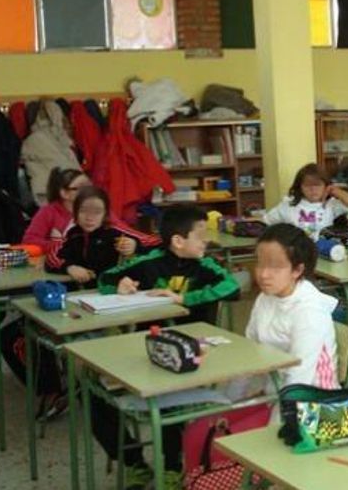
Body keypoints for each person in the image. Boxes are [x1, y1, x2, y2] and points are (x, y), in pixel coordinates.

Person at [93, 205, 240, 488]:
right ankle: (134, 463)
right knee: (91, 395)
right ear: (178, 241)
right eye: (201, 237)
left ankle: (172, 466)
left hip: (192, 356)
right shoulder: (149, 261)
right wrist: (120, 286)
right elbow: (105, 279)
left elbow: (232, 287)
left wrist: (185, 299)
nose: (206, 242)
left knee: (168, 395)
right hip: (148, 352)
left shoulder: (205, 265)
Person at [244, 224, 340, 392]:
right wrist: (231, 401)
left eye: (275, 266)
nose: (263, 274)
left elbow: (299, 380)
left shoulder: (309, 312)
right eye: (260, 263)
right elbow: (249, 353)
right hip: (275, 390)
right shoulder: (265, 298)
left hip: (313, 398)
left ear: (297, 270)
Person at [45, 186, 160, 286]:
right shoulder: (74, 234)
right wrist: (69, 267)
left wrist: (136, 245)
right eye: (83, 211)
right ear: (75, 213)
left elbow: (158, 242)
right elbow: (52, 257)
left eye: (97, 212)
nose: (89, 218)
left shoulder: (116, 232)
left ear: (105, 214)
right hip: (86, 293)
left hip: (117, 291)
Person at [263, 163, 348, 241]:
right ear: (300, 187)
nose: (313, 189)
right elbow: (266, 222)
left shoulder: (331, 204)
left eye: (317, 185)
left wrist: (335, 190)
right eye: (307, 185)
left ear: (325, 186)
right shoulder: (289, 205)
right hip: (297, 251)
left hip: (324, 251)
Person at [22, 167, 91, 252]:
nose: (89, 192)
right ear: (64, 193)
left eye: (90, 187)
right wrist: (59, 245)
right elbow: (29, 241)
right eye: (81, 188)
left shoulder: (97, 209)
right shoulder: (48, 212)